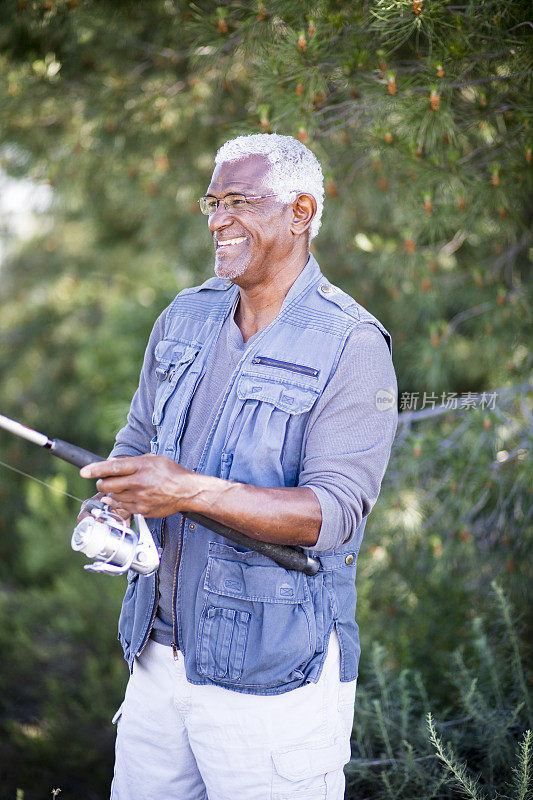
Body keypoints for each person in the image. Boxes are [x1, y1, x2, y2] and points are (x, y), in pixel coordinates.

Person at [78, 133, 398, 800]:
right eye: (212, 201)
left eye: (239, 201)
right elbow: (135, 440)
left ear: (300, 212)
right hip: (155, 664)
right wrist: (114, 497)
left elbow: (332, 515)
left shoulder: (353, 344)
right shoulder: (182, 317)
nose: (218, 219)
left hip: (274, 675)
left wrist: (185, 489)